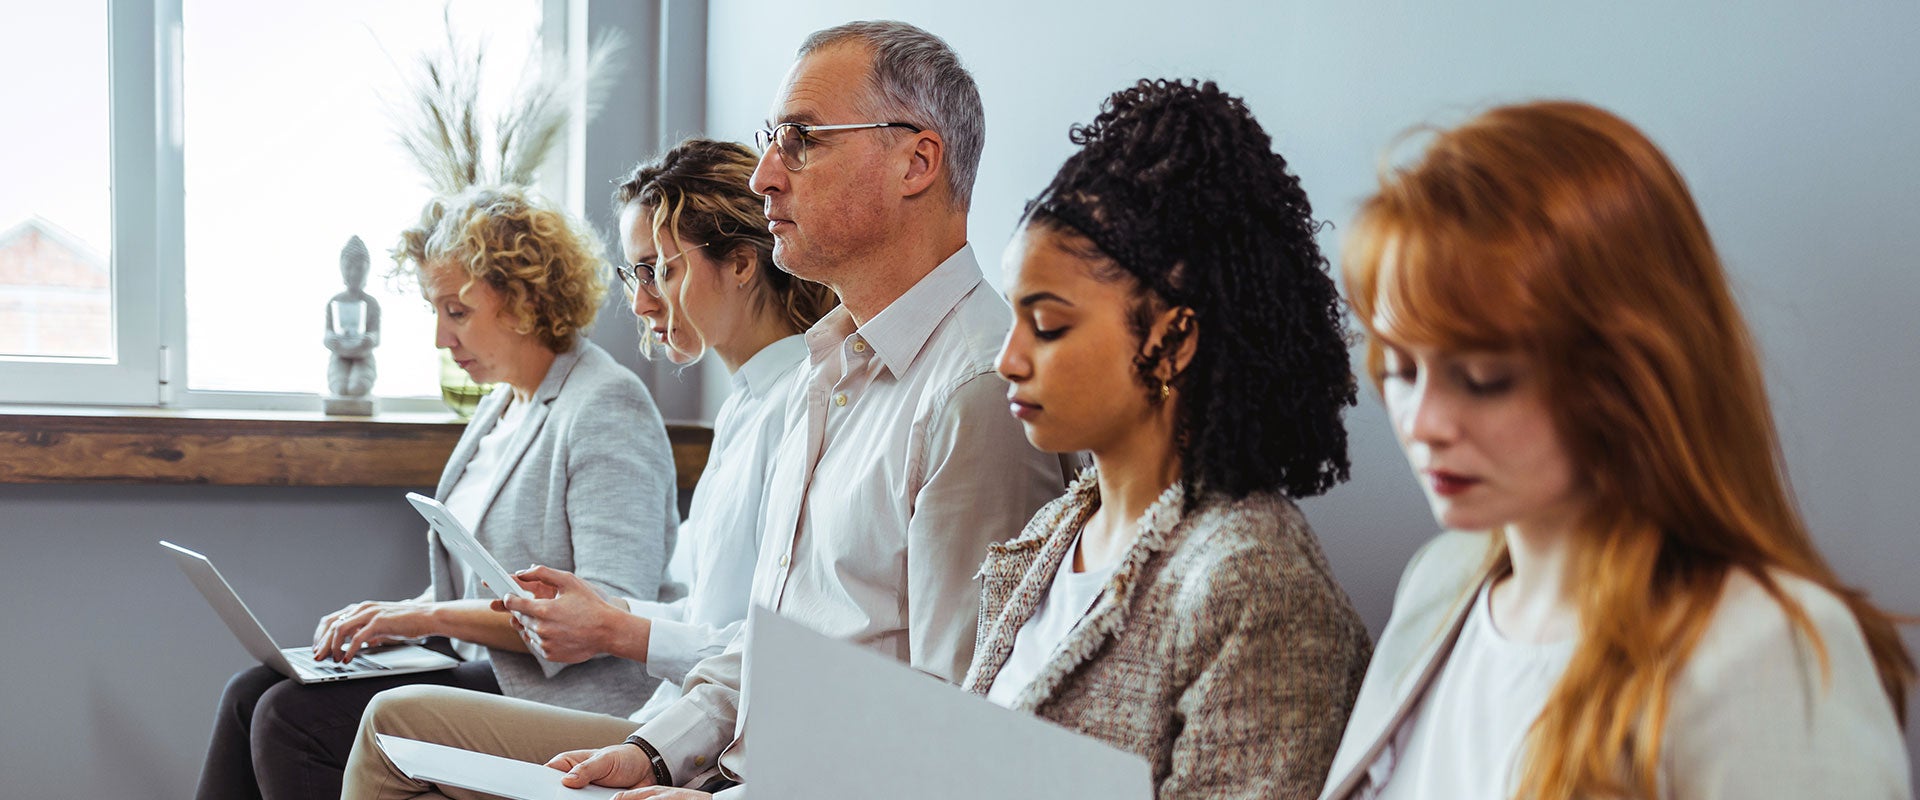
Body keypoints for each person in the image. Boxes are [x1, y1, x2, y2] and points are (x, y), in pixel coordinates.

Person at [387, 20, 1064, 800]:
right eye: (772, 140)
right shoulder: (828, 369)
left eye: (802, 139)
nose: (765, 176)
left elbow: (956, 734)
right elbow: (770, 644)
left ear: (917, 161)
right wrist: (652, 750)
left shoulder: (974, 391)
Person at [1317, 101, 1914, 800]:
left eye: (1484, 378)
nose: (1424, 423)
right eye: (1402, 370)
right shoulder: (1439, 584)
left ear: (1627, 375)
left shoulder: (1761, 651)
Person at [337, 138, 839, 799]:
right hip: (669, 720)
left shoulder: (801, 409)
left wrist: (614, 627)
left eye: (657, 270)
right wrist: (595, 608)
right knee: (279, 701)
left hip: (692, 733)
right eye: (636, 275)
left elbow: (774, 645)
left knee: (382, 723)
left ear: (743, 264)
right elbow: (707, 608)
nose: (639, 302)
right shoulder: (748, 409)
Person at [196, 185, 679, 800]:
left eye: (456, 311)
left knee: (292, 718)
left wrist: (419, 615)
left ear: (525, 299)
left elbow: (611, 606)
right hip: (478, 665)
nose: (440, 339)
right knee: (249, 693)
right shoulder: (505, 405)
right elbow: (479, 586)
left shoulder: (606, 403)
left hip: (559, 694)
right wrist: (391, 623)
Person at [963, 78, 1373, 800]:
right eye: (1013, 318)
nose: (1008, 358)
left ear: (1172, 337)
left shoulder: (1253, 581)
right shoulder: (1057, 530)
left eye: (1048, 325)